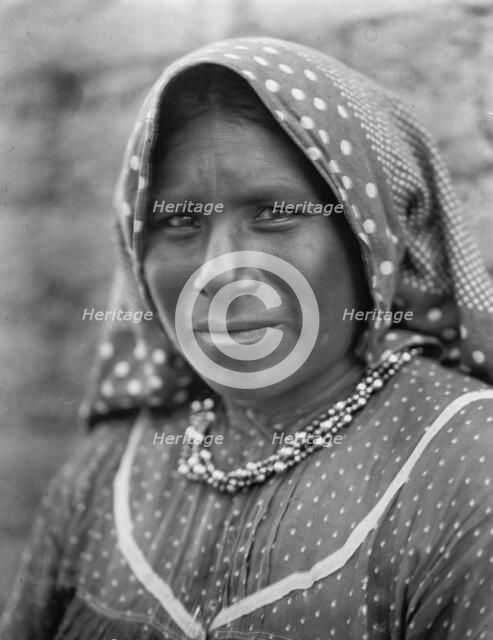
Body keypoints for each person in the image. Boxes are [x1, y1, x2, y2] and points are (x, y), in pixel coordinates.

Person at [2, 36, 493, 640]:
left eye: (275, 213)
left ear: (372, 239)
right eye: (179, 221)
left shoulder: (467, 460)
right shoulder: (111, 465)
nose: (222, 272)